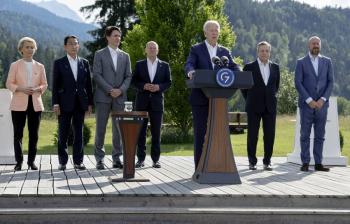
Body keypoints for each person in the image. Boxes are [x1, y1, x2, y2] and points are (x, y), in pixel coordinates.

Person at [184, 20, 240, 169]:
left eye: (216, 30)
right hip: (200, 98)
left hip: (219, 100)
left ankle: (216, 166)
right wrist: (190, 71)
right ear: (205, 33)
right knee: (200, 134)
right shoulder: (196, 49)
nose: (214, 32)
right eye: (211, 30)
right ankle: (199, 168)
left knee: (219, 134)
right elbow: (190, 64)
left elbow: (234, 67)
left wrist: (238, 72)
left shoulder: (224, 51)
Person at [52, 35, 93, 171]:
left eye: (76, 44)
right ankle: (62, 162)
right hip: (64, 104)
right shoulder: (59, 63)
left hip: (80, 103)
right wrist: (55, 103)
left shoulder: (84, 62)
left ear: (78, 46)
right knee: (63, 134)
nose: (74, 46)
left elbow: (88, 85)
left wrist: (90, 104)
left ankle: (78, 162)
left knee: (79, 134)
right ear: (65, 47)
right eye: (70, 44)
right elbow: (55, 85)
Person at [6, 37, 48, 171]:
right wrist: (20, 88)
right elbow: (9, 83)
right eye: (27, 47)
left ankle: (31, 162)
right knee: (18, 134)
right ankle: (19, 162)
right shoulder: (15, 65)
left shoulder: (40, 66)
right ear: (21, 49)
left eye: (32, 47)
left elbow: (45, 84)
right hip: (18, 103)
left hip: (35, 103)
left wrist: (38, 89)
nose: (30, 49)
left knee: (34, 134)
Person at [93, 26, 132, 170]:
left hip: (120, 98)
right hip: (103, 97)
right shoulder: (99, 54)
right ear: (108, 37)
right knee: (101, 129)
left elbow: (128, 76)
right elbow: (96, 75)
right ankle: (99, 159)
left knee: (119, 130)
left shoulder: (125, 56)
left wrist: (120, 90)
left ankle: (117, 159)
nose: (118, 38)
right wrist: (110, 90)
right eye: (115, 35)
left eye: (119, 36)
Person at [295, 36, 334, 172]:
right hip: (306, 105)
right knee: (304, 134)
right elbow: (298, 83)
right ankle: (305, 162)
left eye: (317, 43)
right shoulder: (301, 62)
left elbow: (331, 82)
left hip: (322, 105)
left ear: (320, 45)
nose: (315, 45)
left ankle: (318, 163)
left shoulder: (327, 61)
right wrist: (309, 100)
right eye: (313, 43)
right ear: (309, 46)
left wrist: (323, 99)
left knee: (320, 135)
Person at [131, 41, 172, 169]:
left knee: (156, 133)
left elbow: (168, 82)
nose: (152, 49)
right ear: (146, 50)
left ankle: (156, 160)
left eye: (154, 48)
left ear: (157, 50)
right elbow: (134, 81)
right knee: (140, 133)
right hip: (142, 103)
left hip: (157, 103)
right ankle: (140, 160)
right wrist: (143, 86)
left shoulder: (165, 66)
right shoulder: (139, 64)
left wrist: (159, 87)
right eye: (150, 47)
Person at [241, 41, 280, 171]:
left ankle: (267, 161)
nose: (264, 53)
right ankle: (252, 161)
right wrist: (250, 99)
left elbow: (276, 86)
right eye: (262, 51)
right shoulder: (249, 67)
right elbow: (244, 87)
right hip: (253, 106)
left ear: (270, 52)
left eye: (267, 51)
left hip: (270, 106)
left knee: (270, 135)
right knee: (252, 135)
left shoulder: (275, 67)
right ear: (257, 52)